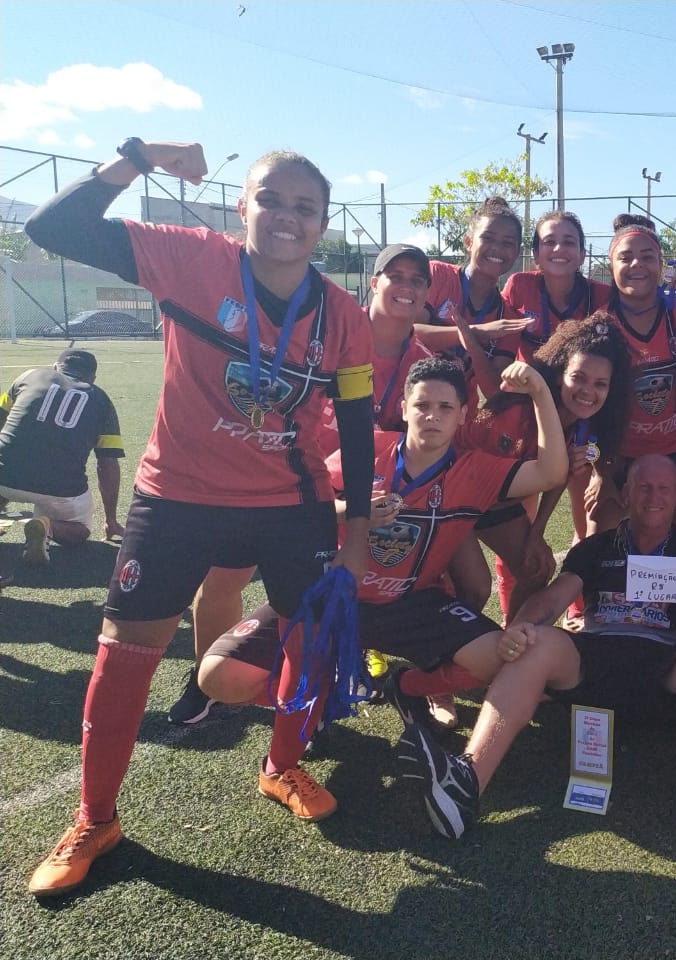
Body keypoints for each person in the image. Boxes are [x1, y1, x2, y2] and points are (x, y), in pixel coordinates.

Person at [22, 139, 376, 898]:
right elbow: (53, 228)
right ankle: (96, 818)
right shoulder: (189, 258)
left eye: (303, 208)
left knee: (306, 639)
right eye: (271, 200)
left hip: (292, 505)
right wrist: (136, 158)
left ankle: (281, 767)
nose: (286, 217)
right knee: (125, 656)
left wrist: (355, 536)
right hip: (177, 498)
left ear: (321, 227)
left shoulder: (341, 313)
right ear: (243, 206)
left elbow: (354, 421)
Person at [392, 453, 676, 853]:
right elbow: (553, 598)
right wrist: (520, 627)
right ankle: (466, 782)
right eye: (643, 486)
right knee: (535, 639)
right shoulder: (599, 546)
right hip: (594, 663)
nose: (652, 496)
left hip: (666, 669)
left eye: (663, 488)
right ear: (626, 493)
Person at [199, 356, 569, 776]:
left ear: (463, 415)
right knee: (218, 677)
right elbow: (305, 509)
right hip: (334, 597)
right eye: (423, 405)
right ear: (406, 407)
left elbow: (552, 471)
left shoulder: (474, 470)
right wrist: (351, 512)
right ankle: (318, 696)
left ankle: (406, 686)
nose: (433, 416)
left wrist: (539, 391)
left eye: (446, 408)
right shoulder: (368, 449)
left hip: (410, 604)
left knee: (498, 661)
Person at [166, 241, 454, 726]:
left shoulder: (420, 360)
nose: (405, 287)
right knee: (225, 578)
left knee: (394, 571)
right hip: (279, 472)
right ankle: (205, 679)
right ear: (373, 283)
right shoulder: (330, 324)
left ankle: (365, 685)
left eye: (417, 280)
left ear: (426, 293)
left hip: (357, 493)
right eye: (395, 276)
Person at [463, 315, 631, 621]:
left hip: (497, 504)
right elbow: (475, 479)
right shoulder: (519, 410)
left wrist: (536, 531)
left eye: (600, 384)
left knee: (538, 567)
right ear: (558, 376)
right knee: (472, 587)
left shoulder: (580, 422)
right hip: (458, 500)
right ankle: (453, 659)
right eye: (578, 377)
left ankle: (512, 639)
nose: (588, 391)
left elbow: (556, 477)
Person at [587, 214, 676, 538]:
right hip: (619, 453)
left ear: (662, 265)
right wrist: (600, 471)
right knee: (597, 542)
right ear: (611, 267)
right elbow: (588, 403)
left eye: (647, 257)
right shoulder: (600, 322)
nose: (637, 264)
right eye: (626, 257)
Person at [0, 349, 125, 567]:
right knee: (80, 531)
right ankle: (47, 526)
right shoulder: (101, 400)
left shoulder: (29, 376)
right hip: (60, 488)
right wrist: (111, 520)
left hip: (3, 474)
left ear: (55, 367)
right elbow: (107, 464)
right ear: (92, 378)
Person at [415, 197, 529, 408]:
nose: (497, 248)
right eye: (487, 238)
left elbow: (493, 391)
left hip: (458, 415)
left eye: (508, 243)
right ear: (468, 242)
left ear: (517, 252)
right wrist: (475, 332)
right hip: (410, 403)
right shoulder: (438, 275)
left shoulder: (508, 319)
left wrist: (472, 345)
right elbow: (408, 333)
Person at [503, 210, 613, 362]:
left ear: (582, 255)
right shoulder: (519, 286)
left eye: (569, 242)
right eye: (549, 242)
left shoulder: (602, 296)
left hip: (577, 384)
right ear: (535, 254)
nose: (559, 249)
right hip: (527, 383)